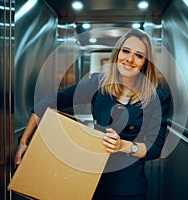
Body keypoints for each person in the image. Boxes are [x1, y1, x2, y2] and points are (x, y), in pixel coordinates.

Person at [14, 29, 171, 200]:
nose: (130, 59)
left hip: (128, 189)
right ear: (117, 53)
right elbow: (50, 101)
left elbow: (155, 147)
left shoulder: (158, 98)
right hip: (90, 182)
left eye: (139, 55)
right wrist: (24, 141)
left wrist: (123, 146)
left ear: (145, 63)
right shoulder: (98, 84)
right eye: (125, 51)